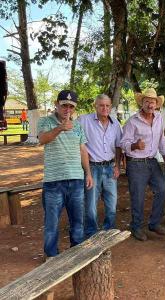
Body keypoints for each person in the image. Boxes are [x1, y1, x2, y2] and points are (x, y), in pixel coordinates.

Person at [37, 90, 93, 257]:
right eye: (64, 105)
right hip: (54, 182)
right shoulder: (45, 121)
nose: (67, 109)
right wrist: (60, 128)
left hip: (76, 180)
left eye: (71, 106)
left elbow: (83, 150)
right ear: (57, 104)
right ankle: (51, 256)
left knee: (77, 222)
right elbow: (42, 139)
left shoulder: (78, 126)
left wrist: (88, 173)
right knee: (52, 223)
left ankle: (76, 254)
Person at [120, 88, 165, 241]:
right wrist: (134, 145)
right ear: (142, 103)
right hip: (136, 163)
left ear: (156, 104)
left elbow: (161, 139)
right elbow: (123, 143)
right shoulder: (132, 121)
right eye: (146, 101)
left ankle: (154, 223)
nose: (150, 104)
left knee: (162, 188)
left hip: (153, 161)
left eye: (152, 101)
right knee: (138, 196)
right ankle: (136, 227)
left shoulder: (159, 118)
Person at [78, 94, 123, 238]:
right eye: (101, 105)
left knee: (112, 202)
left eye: (107, 105)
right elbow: (78, 143)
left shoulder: (115, 124)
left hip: (110, 167)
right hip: (92, 168)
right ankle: (91, 233)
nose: (104, 108)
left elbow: (118, 147)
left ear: (111, 107)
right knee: (91, 203)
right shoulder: (84, 120)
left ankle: (109, 231)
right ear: (95, 106)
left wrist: (117, 166)